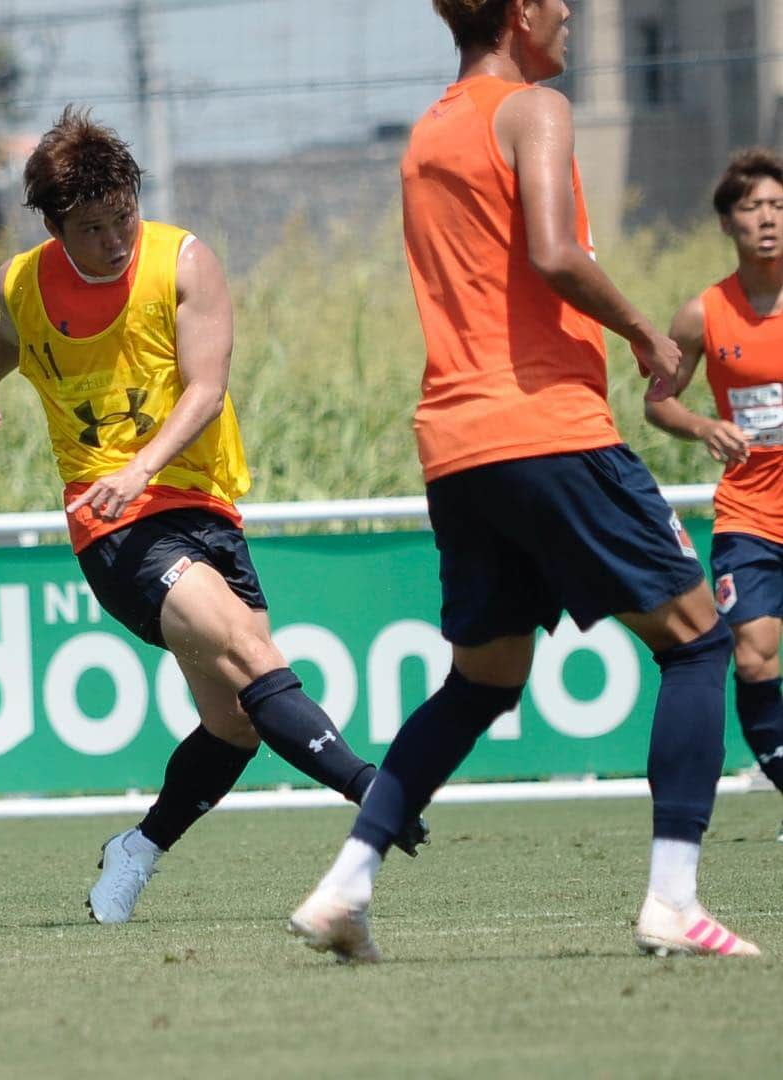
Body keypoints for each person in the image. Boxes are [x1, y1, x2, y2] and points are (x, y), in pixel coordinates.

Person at [289, 0, 761, 963]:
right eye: (558, 1)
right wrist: (642, 332)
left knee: (483, 680)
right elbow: (552, 252)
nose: (573, 15)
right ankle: (672, 901)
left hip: (458, 446)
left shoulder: (429, 128)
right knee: (697, 646)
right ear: (518, 13)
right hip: (546, 425)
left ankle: (346, 885)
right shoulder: (533, 108)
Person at [0, 106, 427, 926]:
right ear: (55, 224)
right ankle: (372, 789)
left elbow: (206, 390)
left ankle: (136, 849)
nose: (115, 240)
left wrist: (146, 464)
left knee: (236, 722)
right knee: (252, 652)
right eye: (93, 228)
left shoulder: (183, 263)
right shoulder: (22, 281)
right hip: (111, 522)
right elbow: (9, 333)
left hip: (203, 504)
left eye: (123, 217)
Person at [645, 148, 783, 840]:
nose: (769, 219)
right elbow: (657, 404)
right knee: (754, 653)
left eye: (780, 206)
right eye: (754, 207)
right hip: (750, 514)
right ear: (729, 222)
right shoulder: (702, 314)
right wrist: (704, 426)